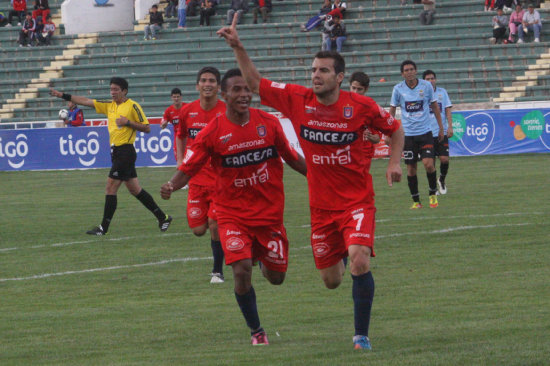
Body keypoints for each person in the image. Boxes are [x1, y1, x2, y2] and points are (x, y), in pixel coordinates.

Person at [217, 16, 405, 350]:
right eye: (313, 70)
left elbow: (395, 129)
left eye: (323, 70)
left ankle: (361, 335)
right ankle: (345, 253)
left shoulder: (361, 106)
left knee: (360, 259)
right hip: (321, 209)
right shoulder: (298, 100)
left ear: (340, 77)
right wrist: (238, 47)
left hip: (358, 202)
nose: (315, 75)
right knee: (331, 281)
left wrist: (393, 163)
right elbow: (257, 83)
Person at [160, 68, 308, 344]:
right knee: (240, 270)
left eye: (246, 89)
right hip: (232, 215)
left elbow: (292, 156)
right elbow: (189, 167)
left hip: (269, 216)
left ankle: (262, 256)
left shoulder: (269, 123)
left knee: (277, 278)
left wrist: (319, 177)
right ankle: (257, 331)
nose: (244, 94)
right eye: (237, 90)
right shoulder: (212, 132)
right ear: (224, 94)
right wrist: (171, 185)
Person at [49, 77, 173, 235]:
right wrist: (62, 96)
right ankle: (163, 217)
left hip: (125, 151)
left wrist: (128, 122)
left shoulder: (133, 106)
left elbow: (147, 128)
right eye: (111, 89)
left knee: (110, 187)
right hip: (116, 152)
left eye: (116, 89)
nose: (112, 92)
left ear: (124, 91)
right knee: (135, 190)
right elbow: (86, 101)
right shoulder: (109, 105)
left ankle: (103, 228)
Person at [173, 67, 226, 283]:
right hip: (195, 180)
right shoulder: (187, 111)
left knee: (214, 225)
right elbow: (181, 135)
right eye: (203, 80)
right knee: (198, 229)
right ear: (197, 86)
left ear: (218, 86)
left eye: (212, 80)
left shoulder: (226, 110)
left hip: (220, 180)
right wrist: (180, 159)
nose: (207, 84)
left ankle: (217, 271)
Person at [390, 60, 443, 209]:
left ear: (416, 71)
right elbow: (392, 110)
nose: (409, 72)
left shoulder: (426, 86)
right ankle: (416, 201)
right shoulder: (398, 89)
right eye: (406, 70)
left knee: (428, 164)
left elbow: (434, 106)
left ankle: (432, 194)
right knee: (411, 169)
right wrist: (389, 132)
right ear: (402, 73)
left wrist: (440, 128)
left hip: (425, 132)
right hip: (407, 136)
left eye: (412, 69)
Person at [422, 70, 453, 195]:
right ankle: (433, 187)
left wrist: (450, 126)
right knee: (430, 163)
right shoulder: (421, 94)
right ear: (424, 81)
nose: (431, 81)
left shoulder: (442, 92)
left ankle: (441, 179)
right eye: (428, 79)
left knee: (444, 159)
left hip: (441, 132)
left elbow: (447, 110)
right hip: (427, 133)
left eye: (432, 78)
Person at [349, 71, 381, 160]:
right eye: (353, 88)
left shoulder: (372, 109)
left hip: (364, 154)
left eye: (359, 89)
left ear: (366, 89)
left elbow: (377, 139)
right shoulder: (342, 105)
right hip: (346, 152)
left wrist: (371, 137)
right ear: (349, 86)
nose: (355, 92)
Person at [161, 88, 186, 163]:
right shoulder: (169, 111)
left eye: (178, 97)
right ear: (171, 98)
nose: (176, 99)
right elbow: (162, 125)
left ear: (181, 97)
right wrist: (164, 124)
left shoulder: (187, 107)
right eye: (174, 97)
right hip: (177, 138)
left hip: (187, 137)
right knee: (179, 160)